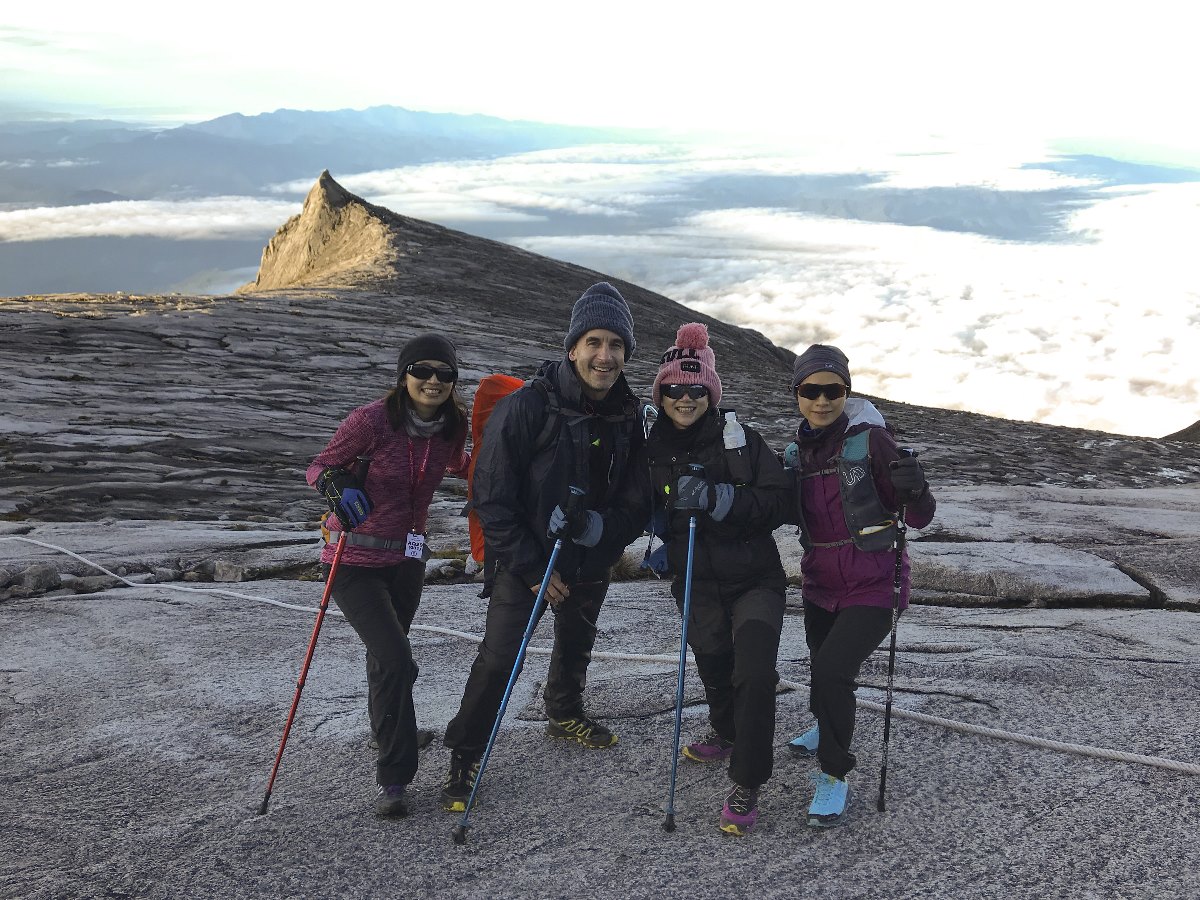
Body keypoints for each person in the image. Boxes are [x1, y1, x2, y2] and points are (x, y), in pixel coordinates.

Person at [440, 282, 644, 812]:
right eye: (595, 343)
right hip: (525, 561)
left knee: (577, 639)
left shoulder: (627, 415)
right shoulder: (529, 407)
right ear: (572, 347)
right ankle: (465, 753)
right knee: (501, 657)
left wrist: (604, 530)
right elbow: (491, 496)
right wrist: (531, 567)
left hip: (587, 558)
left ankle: (564, 712)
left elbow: (637, 497)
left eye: (616, 345)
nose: (605, 356)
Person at [623, 322, 791, 836]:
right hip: (694, 579)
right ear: (661, 392)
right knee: (716, 667)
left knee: (755, 674)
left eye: (696, 389)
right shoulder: (647, 449)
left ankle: (747, 780)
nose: (685, 397)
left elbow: (782, 500)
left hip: (756, 579)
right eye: (673, 388)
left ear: (710, 392)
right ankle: (727, 732)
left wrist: (723, 501)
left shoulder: (740, 441)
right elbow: (633, 507)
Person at [306, 333, 469, 817]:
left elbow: (460, 464)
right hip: (352, 562)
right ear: (404, 375)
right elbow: (318, 467)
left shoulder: (452, 427)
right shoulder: (371, 421)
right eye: (423, 370)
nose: (433, 381)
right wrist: (335, 488)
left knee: (384, 660)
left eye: (445, 373)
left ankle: (390, 727)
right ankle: (394, 777)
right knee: (398, 659)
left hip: (408, 562)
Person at [780, 344, 935, 828]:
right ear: (798, 394)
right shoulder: (795, 453)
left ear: (846, 392)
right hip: (819, 582)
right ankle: (826, 725)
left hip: (875, 584)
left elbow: (920, 516)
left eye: (833, 390)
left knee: (832, 671)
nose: (822, 400)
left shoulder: (871, 441)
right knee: (820, 666)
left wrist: (916, 488)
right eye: (811, 390)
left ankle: (834, 772)